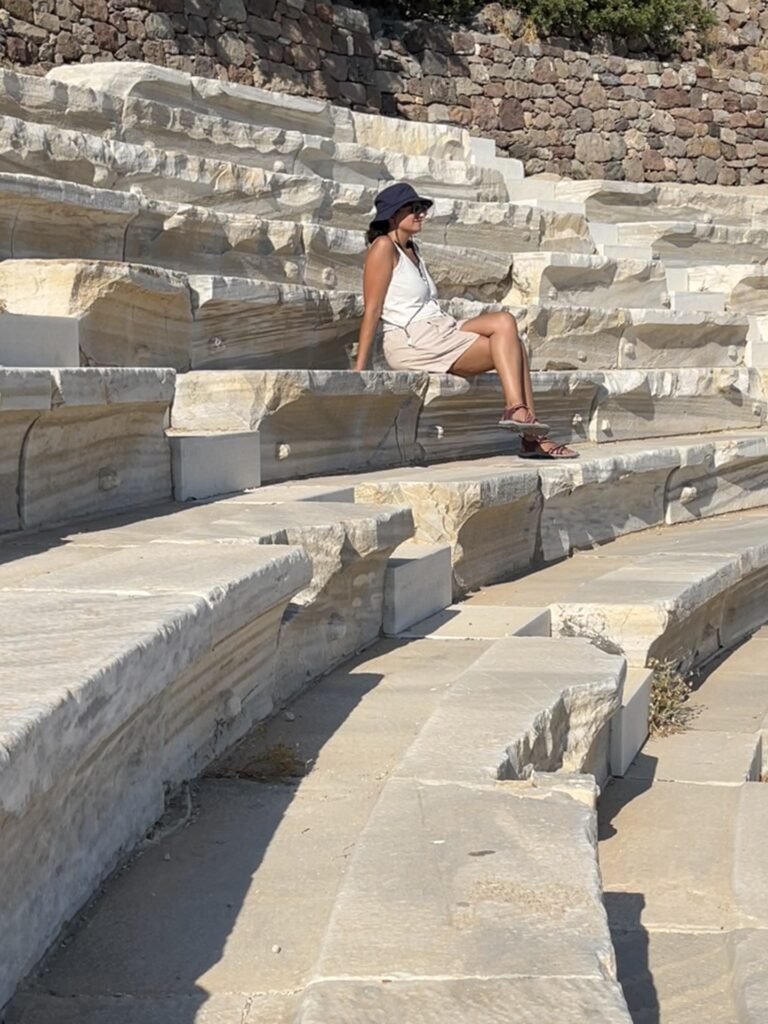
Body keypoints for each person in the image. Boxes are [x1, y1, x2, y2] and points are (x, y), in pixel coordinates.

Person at [354, 182, 578, 459]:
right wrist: (360, 368)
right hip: (411, 340)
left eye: (422, 208)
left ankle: (520, 417)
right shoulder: (382, 247)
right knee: (514, 349)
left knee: (505, 323)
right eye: (414, 208)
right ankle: (529, 432)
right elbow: (373, 308)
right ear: (393, 215)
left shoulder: (412, 249)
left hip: (439, 329)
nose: (422, 213)